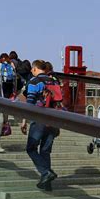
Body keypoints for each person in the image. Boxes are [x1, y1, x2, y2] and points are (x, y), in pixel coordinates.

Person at [21, 59, 60, 191]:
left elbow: (30, 103)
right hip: (53, 120)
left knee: (31, 148)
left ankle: (46, 173)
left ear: (35, 69)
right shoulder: (54, 81)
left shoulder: (34, 81)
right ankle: (47, 184)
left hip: (39, 120)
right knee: (45, 151)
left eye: (32, 69)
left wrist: (24, 121)